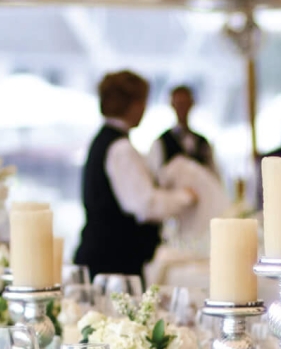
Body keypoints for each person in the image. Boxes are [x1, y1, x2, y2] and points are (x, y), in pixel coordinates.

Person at [74, 71, 196, 280]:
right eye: (143, 102)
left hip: (106, 260)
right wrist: (185, 197)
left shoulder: (104, 141)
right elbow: (145, 205)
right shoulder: (120, 148)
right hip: (112, 265)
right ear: (133, 104)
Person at [148, 84, 216, 176]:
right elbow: (156, 176)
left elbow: (213, 174)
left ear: (192, 104)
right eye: (179, 103)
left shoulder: (203, 142)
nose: (182, 108)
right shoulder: (161, 142)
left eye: (185, 103)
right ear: (172, 105)